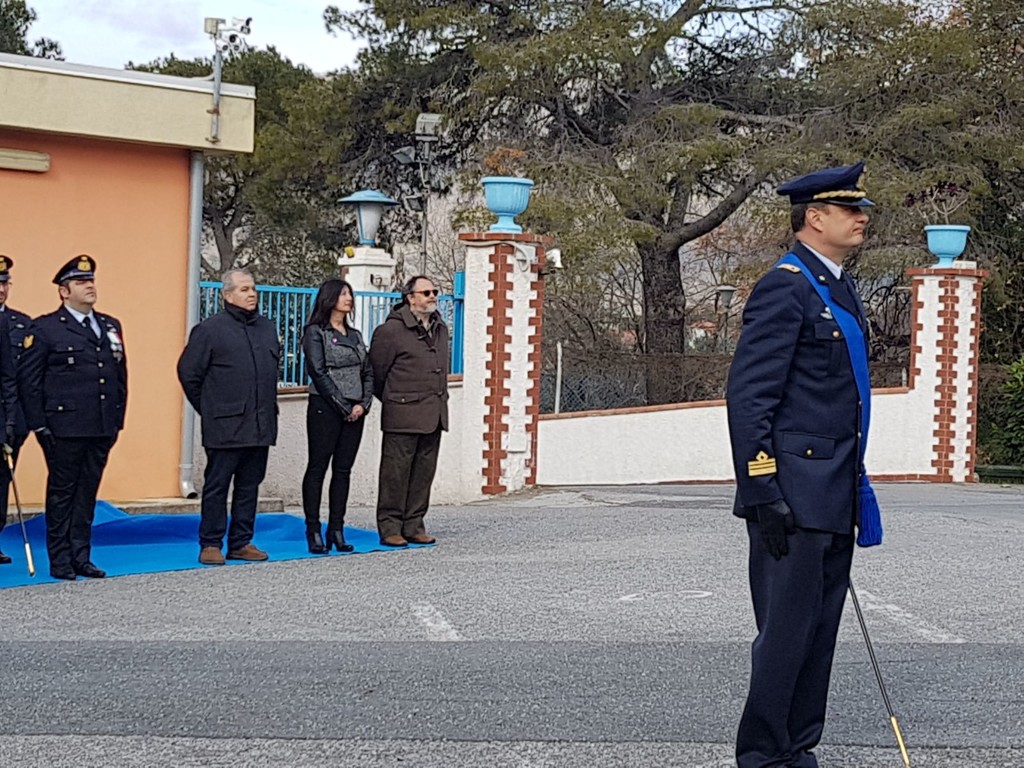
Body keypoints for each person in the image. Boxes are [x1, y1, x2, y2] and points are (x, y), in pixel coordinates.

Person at [726, 161, 880, 768]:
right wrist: (762, 487)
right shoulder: (786, 286)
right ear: (814, 217)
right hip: (791, 492)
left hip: (833, 488)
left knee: (818, 636)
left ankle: (797, 748)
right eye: (850, 210)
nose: (862, 218)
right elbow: (751, 398)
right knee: (787, 637)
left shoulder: (838, 286)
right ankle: (763, 755)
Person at [19, 255, 128, 580]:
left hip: (101, 425)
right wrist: (39, 425)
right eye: (81, 282)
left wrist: (117, 420)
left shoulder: (109, 325)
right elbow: (30, 382)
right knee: (62, 493)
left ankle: (81, 556)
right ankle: (61, 560)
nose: (90, 286)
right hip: (63, 427)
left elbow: (119, 376)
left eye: (91, 280)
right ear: (64, 291)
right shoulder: (46, 328)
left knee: (87, 493)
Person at [177, 268, 280, 566]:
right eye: (244, 289)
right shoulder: (210, 330)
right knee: (217, 485)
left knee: (249, 485)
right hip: (224, 424)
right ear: (227, 295)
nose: (252, 294)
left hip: (260, 423)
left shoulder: (266, 328)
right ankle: (210, 543)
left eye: (253, 289)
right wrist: (210, 409)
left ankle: (241, 542)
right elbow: (189, 374)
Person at [369, 275, 449, 547]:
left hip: (433, 413)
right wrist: (397, 400)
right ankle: (390, 526)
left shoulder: (440, 328)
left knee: (423, 473)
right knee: (395, 473)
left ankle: (414, 524)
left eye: (434, 291)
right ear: (410, 298)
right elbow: (377, 373)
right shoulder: (390, 331)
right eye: (426, 292)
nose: (432, 296)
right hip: (402, 414)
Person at [300, 278, 373, 554]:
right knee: (318, 467)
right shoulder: (315, 332)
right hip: (325, 407)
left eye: (350, 294)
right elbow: (318, 371)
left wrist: (362, 404)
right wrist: (342, 405)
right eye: (343, 294)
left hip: (355, 409)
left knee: (343, 470)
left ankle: (337, 528)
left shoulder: (355, 335)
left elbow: (368, 371)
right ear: (329, 298)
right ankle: (313, 529)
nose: (348, 298)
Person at [0, 256, 22, 565]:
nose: (1, 289)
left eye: (5, 283)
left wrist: (10, 421)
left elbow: (8, 376)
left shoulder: (6, 323)